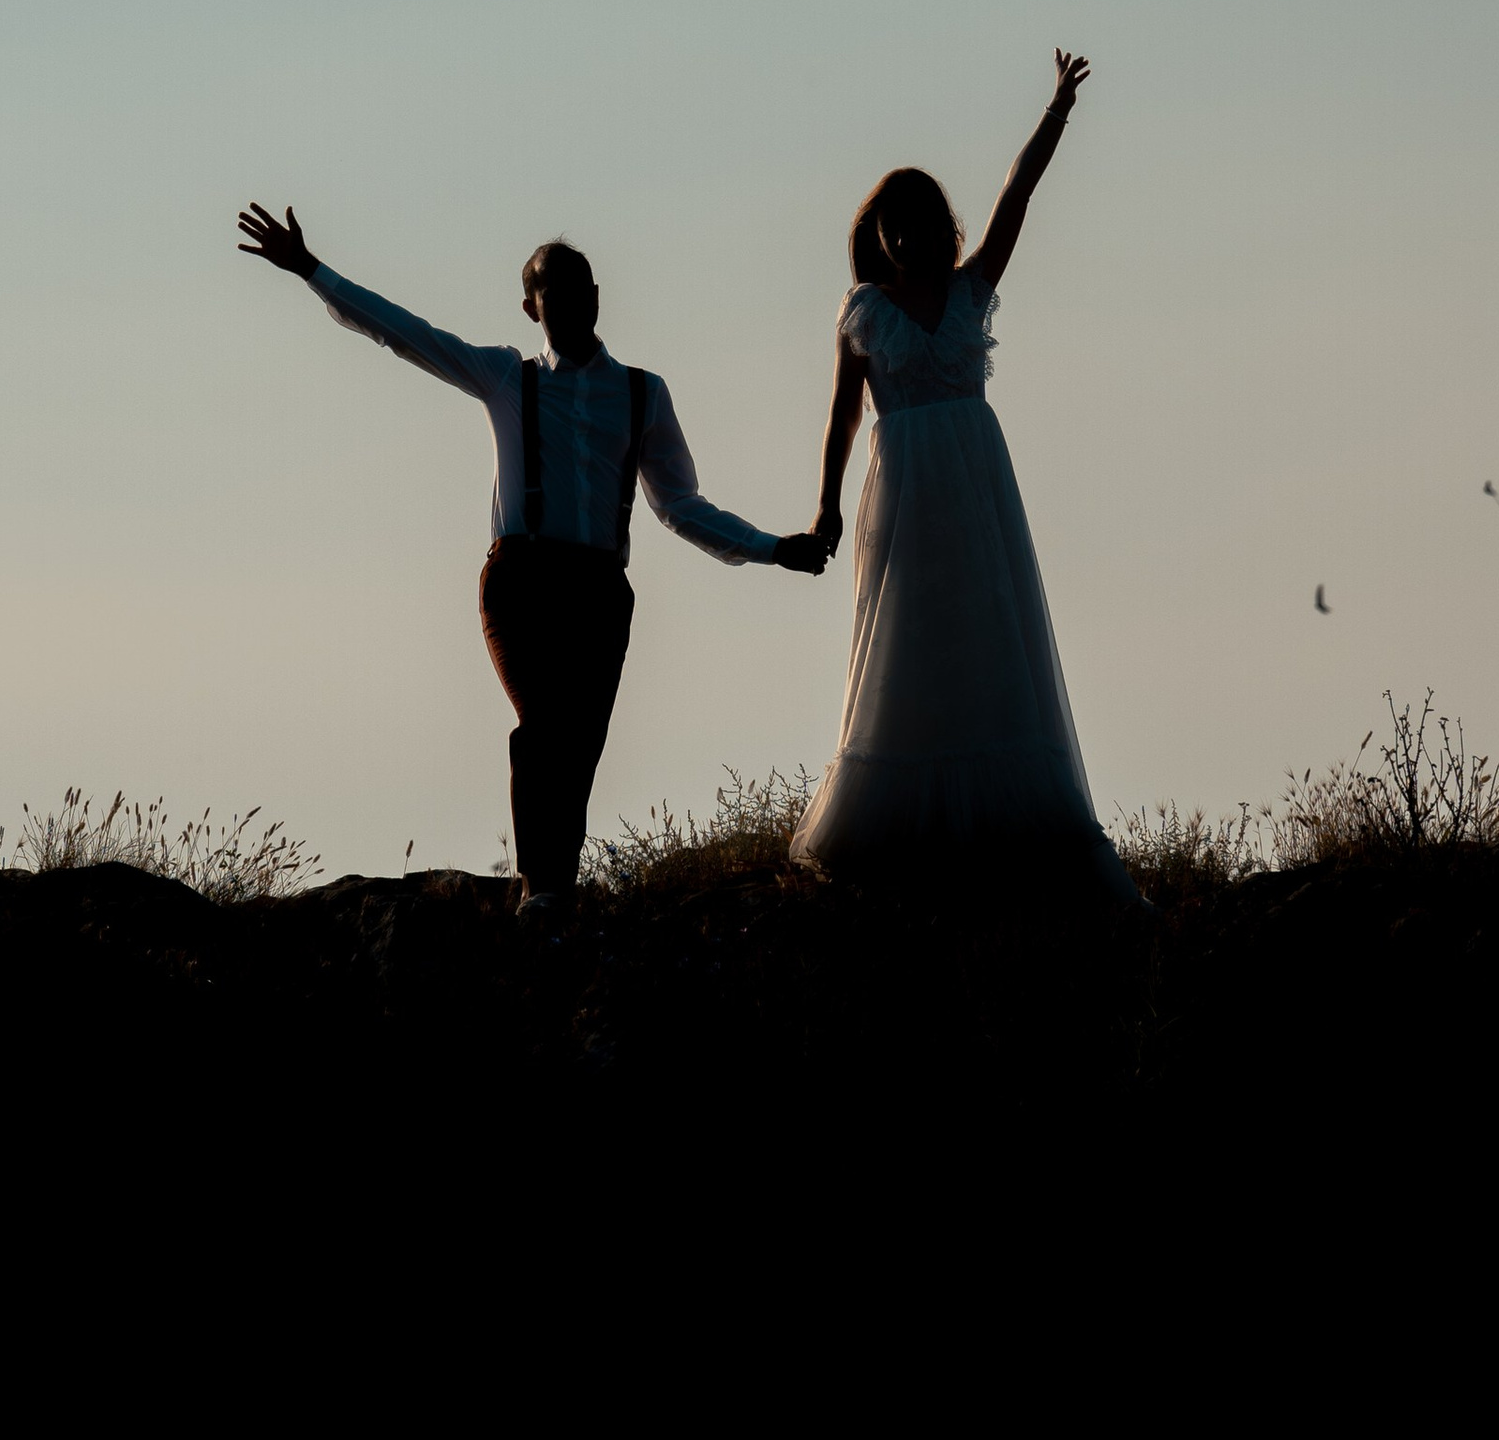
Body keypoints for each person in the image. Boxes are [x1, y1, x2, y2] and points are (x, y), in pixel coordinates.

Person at [237, 200, 827, 916]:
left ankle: (550, 892)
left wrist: (772, 550)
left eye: (582, 286)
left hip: (600, 589)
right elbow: (404, 335)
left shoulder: (643, 394)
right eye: (555, 289)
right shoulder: (507, 379)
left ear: (599, 297)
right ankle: (543, 890)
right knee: (545, 724)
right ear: (530, 306)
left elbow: (681, 507)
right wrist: (311, 271)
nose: (572, 300)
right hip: (520, 580)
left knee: (578, 747)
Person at [787, 51, 1134, 890]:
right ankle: (901, 831)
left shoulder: (974, 287)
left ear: (941, 228)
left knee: (986, 633)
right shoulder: (862, 311)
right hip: (901, 493)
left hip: (975, 491)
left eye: (919, 223)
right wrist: (825, 505)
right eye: (891, 226)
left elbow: (1017, 196)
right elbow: (841, 413)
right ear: (876, 235)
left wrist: (1056, 113)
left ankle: (1012, 831)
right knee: (906, 638)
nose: (905, 237)